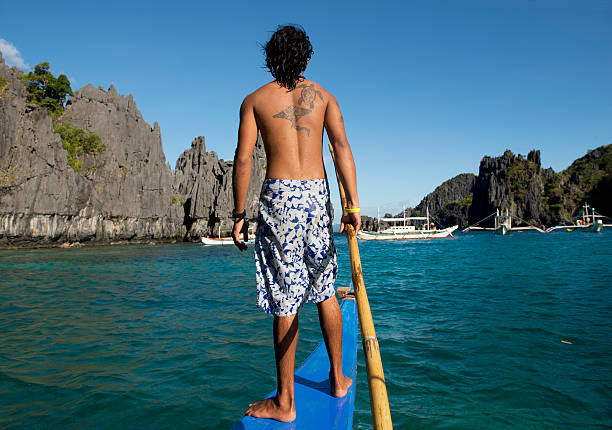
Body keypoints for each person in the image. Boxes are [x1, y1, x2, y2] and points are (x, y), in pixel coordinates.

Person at [231, 25, 361, 423]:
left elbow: (243, 159)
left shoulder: (255, 100)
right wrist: (352, 205)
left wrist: (239, 215)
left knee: (286, 296)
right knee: (323, 289)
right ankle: (338, 379)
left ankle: (285, 402)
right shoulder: (325, 97)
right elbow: (341, 149)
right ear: (306, 58)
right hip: (317, 194)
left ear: (271, 59)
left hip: (280, 200)